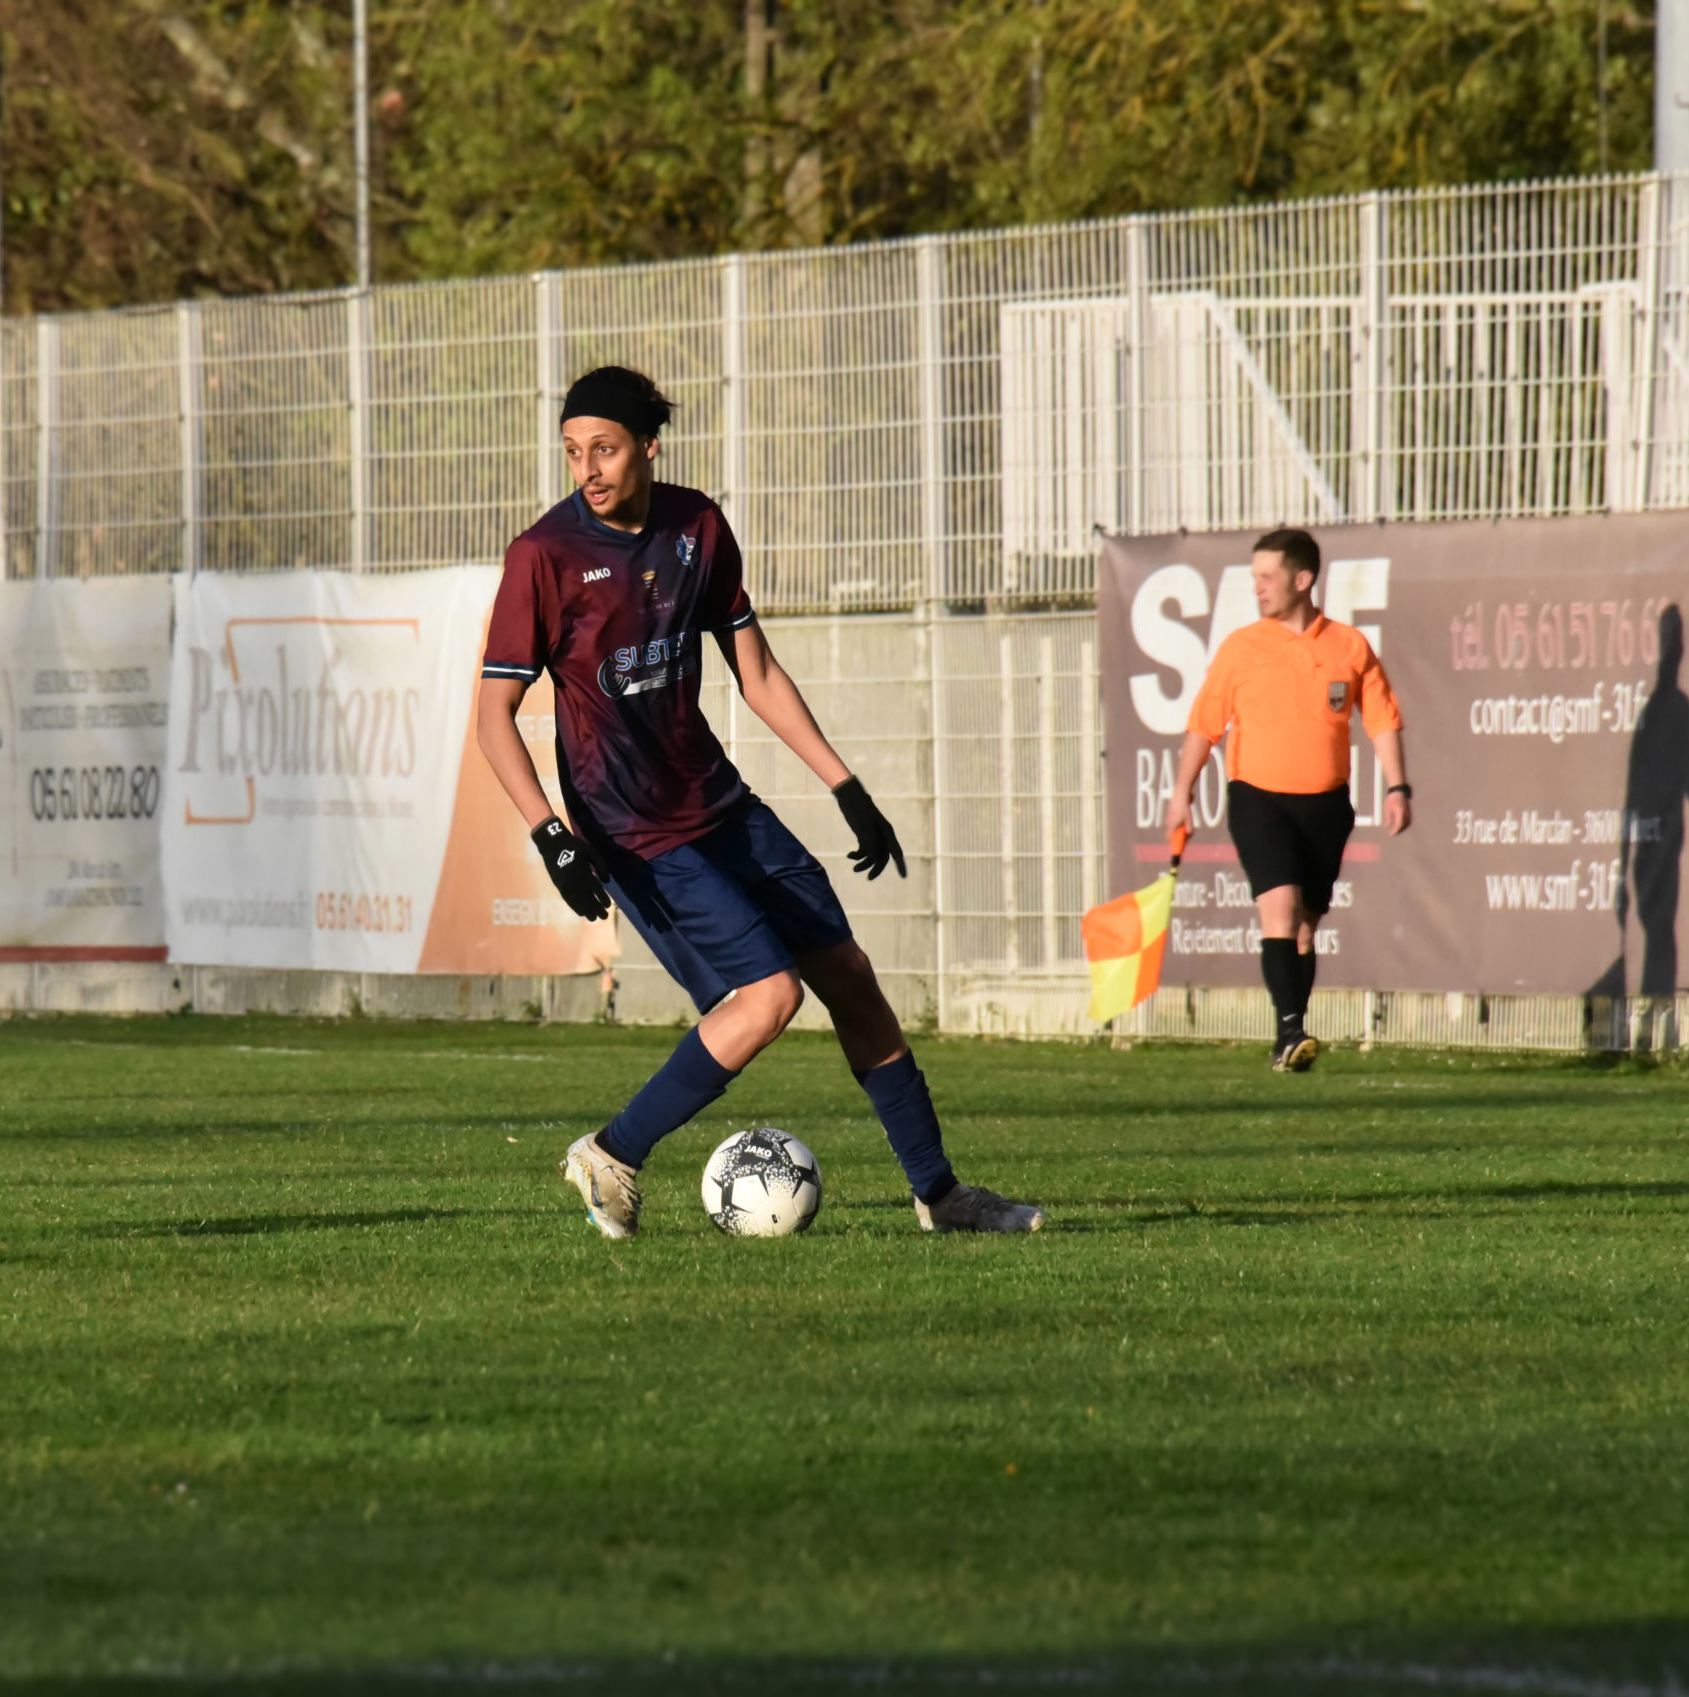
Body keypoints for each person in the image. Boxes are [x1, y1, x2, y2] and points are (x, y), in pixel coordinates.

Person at [474, 365, 1044, 1238]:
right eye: (573, 451)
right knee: (771, 995)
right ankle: (611, 1151)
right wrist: (550, 834)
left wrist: (844, 784)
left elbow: (759, 671)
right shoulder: (543, 556)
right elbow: (493, 717)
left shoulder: (696, 526)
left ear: (649, 447)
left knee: (851, 979)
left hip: (720, 804)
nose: (587, 468)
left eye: (605, 449)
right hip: (631, 828)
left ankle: (940, 1195)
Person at [1163, 527, 1412, 1071]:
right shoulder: (1241, 648)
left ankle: (1289, 1040)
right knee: (1278, 908)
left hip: (1326, 805)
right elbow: (1203, 726)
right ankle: (1291, 1029)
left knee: (1304, 927)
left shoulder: (1349, 645)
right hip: (1258, 799)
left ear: (1302, 580)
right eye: (1254, 577)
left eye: (1266, 577)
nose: (1257, 587)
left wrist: (1398, 787)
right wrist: (1181, 794)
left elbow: (1381, 718)